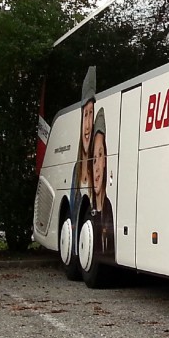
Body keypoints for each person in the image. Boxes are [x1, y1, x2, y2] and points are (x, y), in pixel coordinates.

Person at [69, 67, 96, 227]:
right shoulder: (75, 173)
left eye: (91, 113)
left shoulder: (98, 171)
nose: (87, 126)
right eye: (85, 114)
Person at [88, 109, 114, 264]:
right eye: (94, 159)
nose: (97, 167)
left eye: (101, 155)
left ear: (106, 162)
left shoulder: (109, 209)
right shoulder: (91, 207)